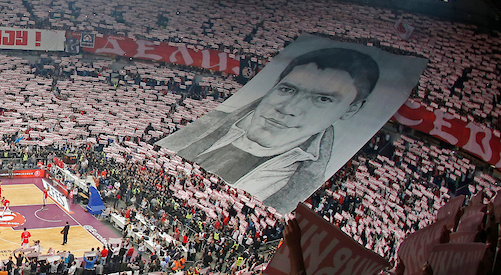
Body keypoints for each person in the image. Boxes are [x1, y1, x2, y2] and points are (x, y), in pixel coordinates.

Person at [158, 47, 381, 210]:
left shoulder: (306, 176)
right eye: (288, 90)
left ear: (350, 110)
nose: (289, 109)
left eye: (322, 99)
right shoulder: (213, 122)